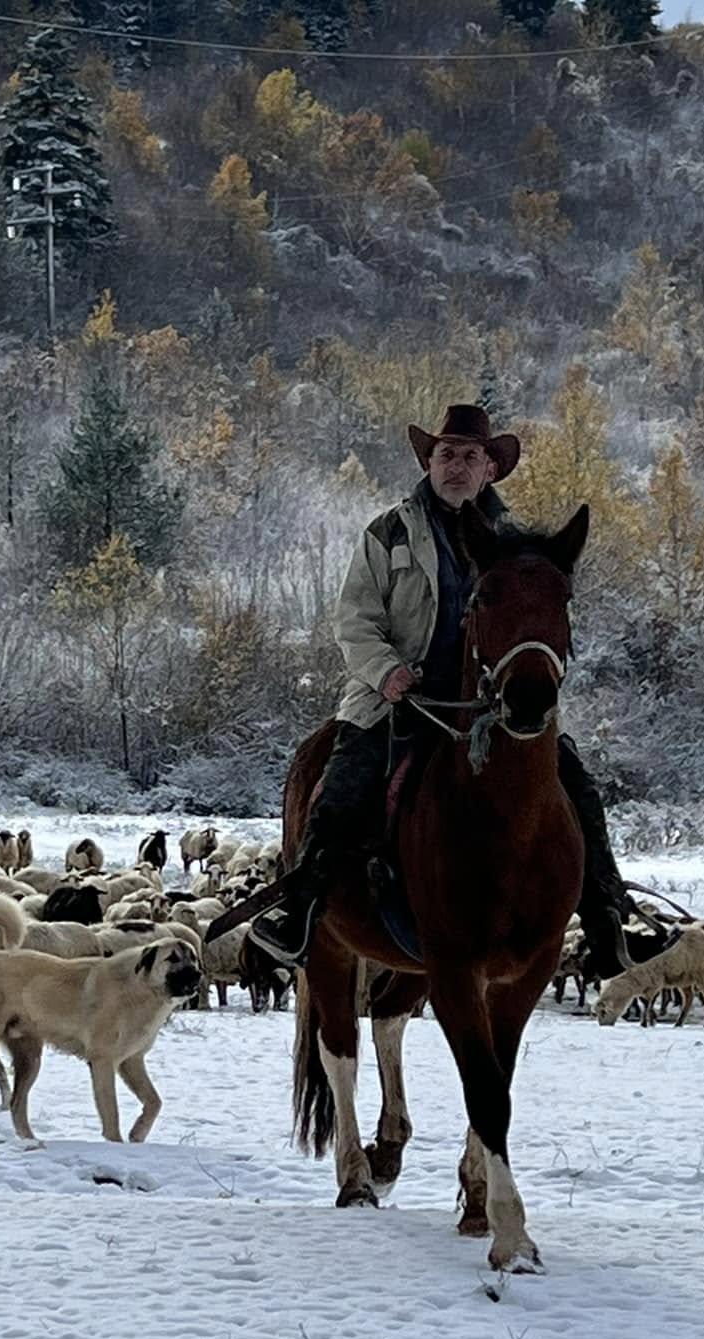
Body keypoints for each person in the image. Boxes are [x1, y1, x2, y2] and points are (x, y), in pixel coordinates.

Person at [250, 403, 638, 971]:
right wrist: (387, 671)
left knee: (576, 783)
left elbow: (537, 621)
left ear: (490, 470)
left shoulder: (517, 547)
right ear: (429, 462)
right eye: (446, 454)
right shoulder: (389, 532)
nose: (457, 466)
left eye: (470, 456)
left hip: (489, 706)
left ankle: (608, 913)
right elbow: (354, 619)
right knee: (341, 790)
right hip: (397, 698)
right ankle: (301, 909)